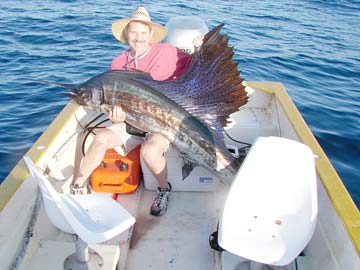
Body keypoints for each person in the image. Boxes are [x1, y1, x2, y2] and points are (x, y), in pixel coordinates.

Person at [70, 6, 203, 216]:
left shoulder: (169, 52)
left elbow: (197, 68)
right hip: (127, 121)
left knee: (149, 151)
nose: (138, 38)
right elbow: (113, 102)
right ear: (126, 35)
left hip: (158, 123)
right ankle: (77, 186)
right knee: (100, 138)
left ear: (151, 34)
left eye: (143, 33)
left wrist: (200, 50)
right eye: (133, 32)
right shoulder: (117, 63)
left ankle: (163, 190)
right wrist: (113, 116)